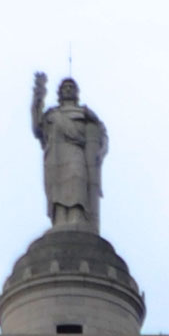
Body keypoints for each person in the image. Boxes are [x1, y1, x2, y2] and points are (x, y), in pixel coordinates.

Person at [31, 71, 107, 232]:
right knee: (56, 188)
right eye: (64, 87)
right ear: (59, 92)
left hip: (75, 151)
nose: (68, 90)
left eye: (71, 87)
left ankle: (76, 217)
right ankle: (60, 220)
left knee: (76, 179)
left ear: (76, 91)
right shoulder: (52, 114)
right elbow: (38, 127)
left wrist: (101, 149)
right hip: (55, 155)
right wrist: (38, 96)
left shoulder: (85, 113)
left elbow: (101, 134)